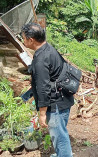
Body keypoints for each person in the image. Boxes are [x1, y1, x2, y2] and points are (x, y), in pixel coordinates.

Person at [21, 23, 73, 157]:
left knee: (60, 138)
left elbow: (43, 88)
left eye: (24, 38)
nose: (23, 41)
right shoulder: (48, 48)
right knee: (60, 133)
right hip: (63, 99)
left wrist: (42, 114)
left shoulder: (40, 59)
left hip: (55, 105)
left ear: (31, 39)